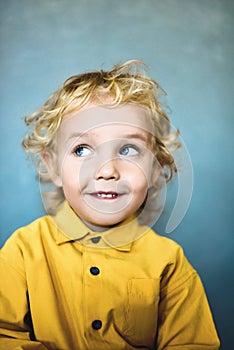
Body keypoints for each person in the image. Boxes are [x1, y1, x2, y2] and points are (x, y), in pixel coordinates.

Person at [0, 60, 220, 349]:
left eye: (128, 150)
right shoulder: (23, 251)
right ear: (52, 168)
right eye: (82, 149)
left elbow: (194, 344)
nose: (107, 170)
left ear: (155, 169)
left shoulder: (169, 262)